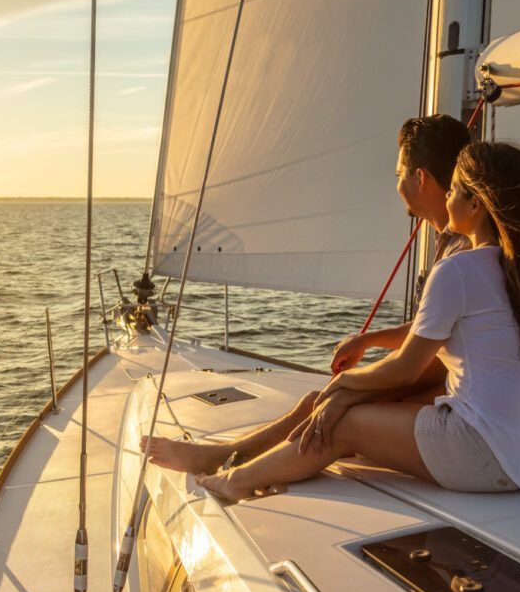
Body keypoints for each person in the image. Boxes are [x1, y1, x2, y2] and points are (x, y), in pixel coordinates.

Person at [192, 142, 520, 499]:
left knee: (344, 423)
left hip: (485, 456)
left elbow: (407, 369)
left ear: (475, 203)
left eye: (454, 189)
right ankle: (246, 465)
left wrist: (343, 384)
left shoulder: (460, 270)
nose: (446, 197)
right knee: (351, 410)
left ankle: (233, 481)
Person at [141, 114, 471, 476]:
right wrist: (369, 340)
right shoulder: (457, 246)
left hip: (446, 399)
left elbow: (424, 365)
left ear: (420, 178)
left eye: (398, 175)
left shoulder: (460, 257)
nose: (396, 186)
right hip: (441, 391)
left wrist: (353, 386)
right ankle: (231, 457)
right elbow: (433, 326)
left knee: (324, 402)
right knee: (320, 400)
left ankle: (229, 465)